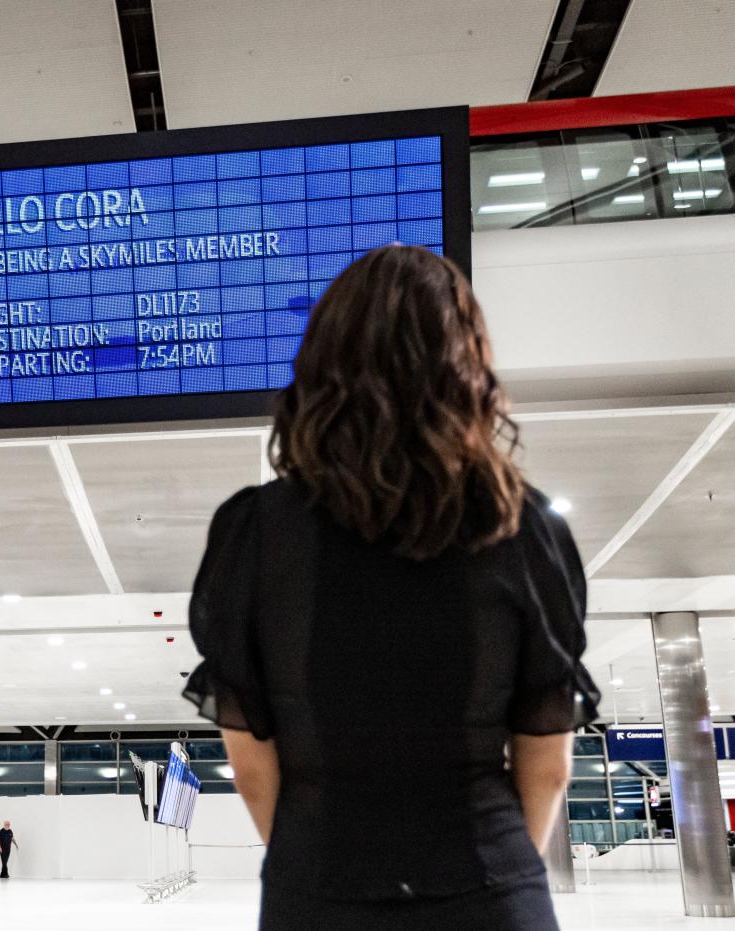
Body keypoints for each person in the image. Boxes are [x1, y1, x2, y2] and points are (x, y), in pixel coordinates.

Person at [183, 245, 599, 931]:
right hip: (490, 890)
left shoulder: (255, 531)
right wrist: (495, 871)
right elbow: (547, 760)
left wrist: (316, 870)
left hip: (318, 889)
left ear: (322, 361)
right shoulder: (522, 526)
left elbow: (250, 758)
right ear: (465, 367)